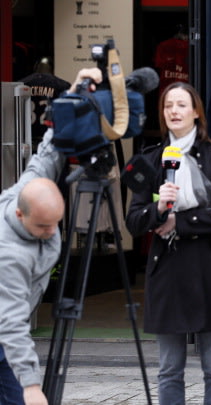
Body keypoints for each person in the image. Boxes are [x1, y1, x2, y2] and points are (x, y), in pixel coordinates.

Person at [125, 81, 211, 404]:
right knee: (169, 369)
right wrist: (158, 209)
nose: (173, 111)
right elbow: (133, 221)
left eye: (181, 105)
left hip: (210, 268)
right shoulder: (150, 160)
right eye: (167, 106)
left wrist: (181, 221)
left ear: (195, 112)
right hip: (168, 270)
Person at [0, 67, 100, 405]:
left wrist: (74, 93)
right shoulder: (9, 252)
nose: (49, 234)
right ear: (19, 215)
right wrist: (31, 385)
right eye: (42, 227)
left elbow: (48, 150)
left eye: (55, 225)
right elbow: (12, 323)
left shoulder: (28, 187)